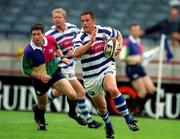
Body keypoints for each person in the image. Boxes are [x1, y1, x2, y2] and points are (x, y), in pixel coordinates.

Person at [73, 10, 139, 138]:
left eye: (87, 20)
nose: (84, 23)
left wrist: (119, 46)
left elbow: (118, 34)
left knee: (112, 88)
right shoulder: (79, 37)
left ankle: (128, 119)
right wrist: (90, 43)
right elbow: (76, 53)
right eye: (82, 21)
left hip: (106, 67)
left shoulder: (104, 31)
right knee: (102, 108)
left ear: (93, 21)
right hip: (90, 77)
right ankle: (108, 126)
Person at [45, 8, 102, 128]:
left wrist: (75, 50)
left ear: (64, 18)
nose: (57, 20)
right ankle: (89, 120)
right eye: (55, 17)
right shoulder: (49, 35)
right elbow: (48, 53)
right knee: (80, 91)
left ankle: (40, 104)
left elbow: (80, 40)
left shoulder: (73, 28)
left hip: (71, 66)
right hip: (60, 67)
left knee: (59, 92)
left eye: (59, 17)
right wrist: (64, 56)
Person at [21, 22, 77, 130]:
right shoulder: (28, 51)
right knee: (42, 104)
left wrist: (61, 57)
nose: (36, 37)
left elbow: (56, 47)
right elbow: (26, 70)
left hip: (54, 72)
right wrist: (40, 77)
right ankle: (41, 122)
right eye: (33, 34)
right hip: (40, 79)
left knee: (72, 95)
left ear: (43, 34)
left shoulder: (51, 39)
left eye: (38, 34)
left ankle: (73, 113)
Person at [121, 23, 156, 115]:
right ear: (131, 31)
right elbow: (122, 57)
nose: (136, 32)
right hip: (132, 68)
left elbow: (140, 56)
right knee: (142, 92)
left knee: (151, 90)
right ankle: (132, 111)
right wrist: (135, 58)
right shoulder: (127, 42)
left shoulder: (138, 41)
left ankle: (139, 108)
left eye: (138, 30)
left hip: (139, 67)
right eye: (134, 30)